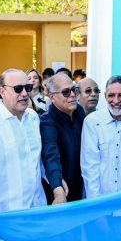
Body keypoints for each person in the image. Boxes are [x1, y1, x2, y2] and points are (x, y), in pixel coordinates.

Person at [0, 69, 46, 213]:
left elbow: (37, 161)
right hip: (6, 212)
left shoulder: (33, 118)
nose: (25, 94)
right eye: (18, 89)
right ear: (2, 92)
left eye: (28, 88)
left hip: (37, 207)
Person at [80, 75, 121, 198]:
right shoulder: (92, 122)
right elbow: (90, 168)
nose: (116, 101)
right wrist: (97, 208)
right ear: (105, 96)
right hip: (100, 201)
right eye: (111, 95)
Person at [40, 73, 86, 204]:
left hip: (82, 189)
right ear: (52, 97)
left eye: (74, 90)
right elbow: (51, 155)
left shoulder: (80, 112)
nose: (72, 95)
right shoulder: (47, 122)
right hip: (60, 193)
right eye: (66, 92)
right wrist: (57, 188)